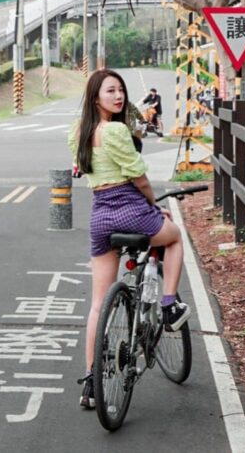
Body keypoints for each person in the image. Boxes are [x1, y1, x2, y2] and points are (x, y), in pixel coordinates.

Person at [68, 69, 191, 409]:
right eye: (110, 91)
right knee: (174, 237)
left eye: (120, 90)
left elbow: (84, 169)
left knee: (97, 304)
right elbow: (139, 178)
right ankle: (168, 305)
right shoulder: (116, 130)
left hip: (99, 217)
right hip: (131, 210)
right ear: (96, 98)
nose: (118, 96)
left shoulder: (78, 131)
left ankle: (91, 382)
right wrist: (154, 208)